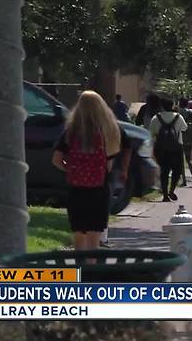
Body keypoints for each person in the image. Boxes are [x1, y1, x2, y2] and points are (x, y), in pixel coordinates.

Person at [52, 90, 122, 250]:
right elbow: (109, 165)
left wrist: (71, 169)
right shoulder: (107, 131)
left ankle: (79, 272)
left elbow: (56, 160)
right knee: (94, 237)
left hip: (76, 189)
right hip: (99, 188)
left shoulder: (70, 132)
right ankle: (91, 271)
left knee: (78, 235)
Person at [149, 97, 187, 202]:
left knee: (164, 171)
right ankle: (172, 190)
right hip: (176, 147)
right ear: (173, 105)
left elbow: (151, 132)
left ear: (162, 106)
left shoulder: (156, 118)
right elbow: (185, 128)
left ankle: (165, 195)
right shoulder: (178, 117)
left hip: (160, 148)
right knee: (177, 170)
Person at [100, 125, 132, 247]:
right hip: (106, 169)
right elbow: (128, 148)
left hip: (108, 169)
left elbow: (127, 147)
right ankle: (101, 237)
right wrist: (124, 169)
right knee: (104, 202)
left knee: (104, 202)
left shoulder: (113, 128)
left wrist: (124, 168)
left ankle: (101, 236)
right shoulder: (114, 127)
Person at [178, 97, 192, 186]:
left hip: (180, 135)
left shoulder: (178, 113)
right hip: (190, 134)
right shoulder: (191, 112)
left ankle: (184, 180)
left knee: (181, 159)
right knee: (189, 158)